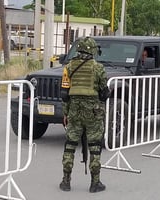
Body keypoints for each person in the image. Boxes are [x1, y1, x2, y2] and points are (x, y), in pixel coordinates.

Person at [59, 37, 107, 193]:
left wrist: (66, 113)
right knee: (94, 147)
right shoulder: (98, 68)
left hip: (74, 111)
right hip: (93, 112)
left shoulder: (68, 67)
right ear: (92, 50)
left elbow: (64, 94)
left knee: (70, 145)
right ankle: (95, 183)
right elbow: (104, 92)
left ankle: (66, 181)